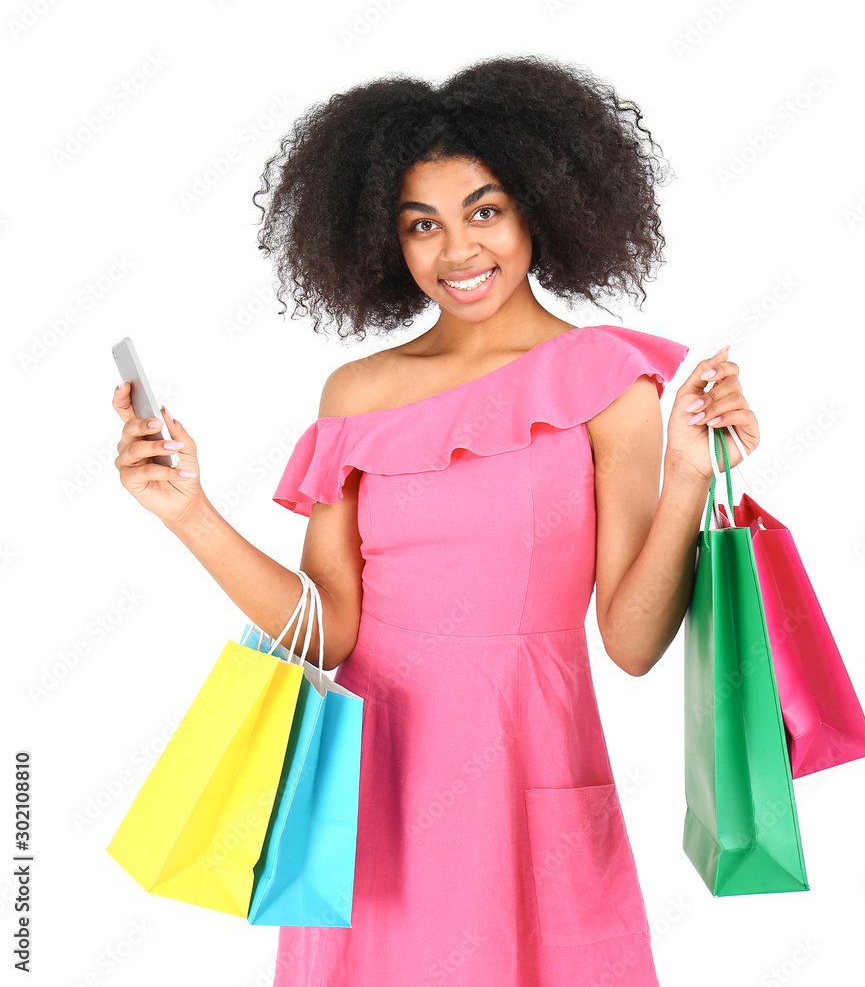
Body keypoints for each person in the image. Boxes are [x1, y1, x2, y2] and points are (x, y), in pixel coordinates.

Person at [112, 54, 759, 987]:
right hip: (374, 784)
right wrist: (190, 514)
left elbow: (630, 640)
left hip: (530, 774)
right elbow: (326, 630)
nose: (458, 252)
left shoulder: (610, 381)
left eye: (484, 211)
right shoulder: (359, 393)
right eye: (423, 225)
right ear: (388, 239)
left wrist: (691, 473)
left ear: (542, 203)